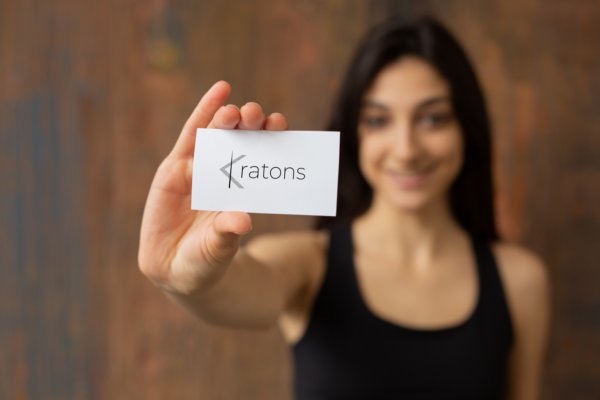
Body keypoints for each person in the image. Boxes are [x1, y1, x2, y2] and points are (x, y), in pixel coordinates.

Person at [138, 17, 550, 399]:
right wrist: (184, 279)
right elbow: (235, 289)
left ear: (467, 129)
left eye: (433, 119)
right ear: (354, 135)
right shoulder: (309, 264)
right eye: (377, 121)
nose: (406, 150)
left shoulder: (520, 282)